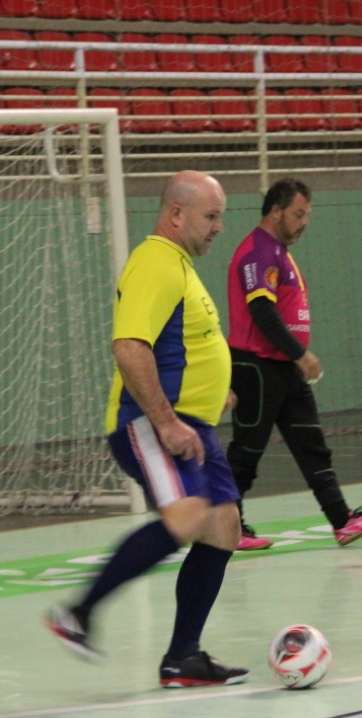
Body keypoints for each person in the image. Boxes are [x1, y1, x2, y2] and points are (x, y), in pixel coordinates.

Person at [43, 170, 248, 689]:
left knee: (223, 526)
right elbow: (130, 346)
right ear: (176, 214)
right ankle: (78, 614)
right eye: (211, 215)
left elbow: (181, 345)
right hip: (151, 423)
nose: (219, 226)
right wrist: (167, 420)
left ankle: (184, 657)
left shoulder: (179, 265)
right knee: (187, 514)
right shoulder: (155, 262)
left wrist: (212, 389)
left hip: (192, 423)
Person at [225, 178, 362, 551]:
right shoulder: (257, 251)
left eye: (307, 216)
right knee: (246, 453)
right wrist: (300, 354)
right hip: (257, 368)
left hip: (286, 369)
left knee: (311, 446)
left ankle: (342, 521)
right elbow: (261, 311)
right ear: (276, 211)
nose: (304, 222)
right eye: (298, 214)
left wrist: (295, 359)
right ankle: (228, 529)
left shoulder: (279, 253)